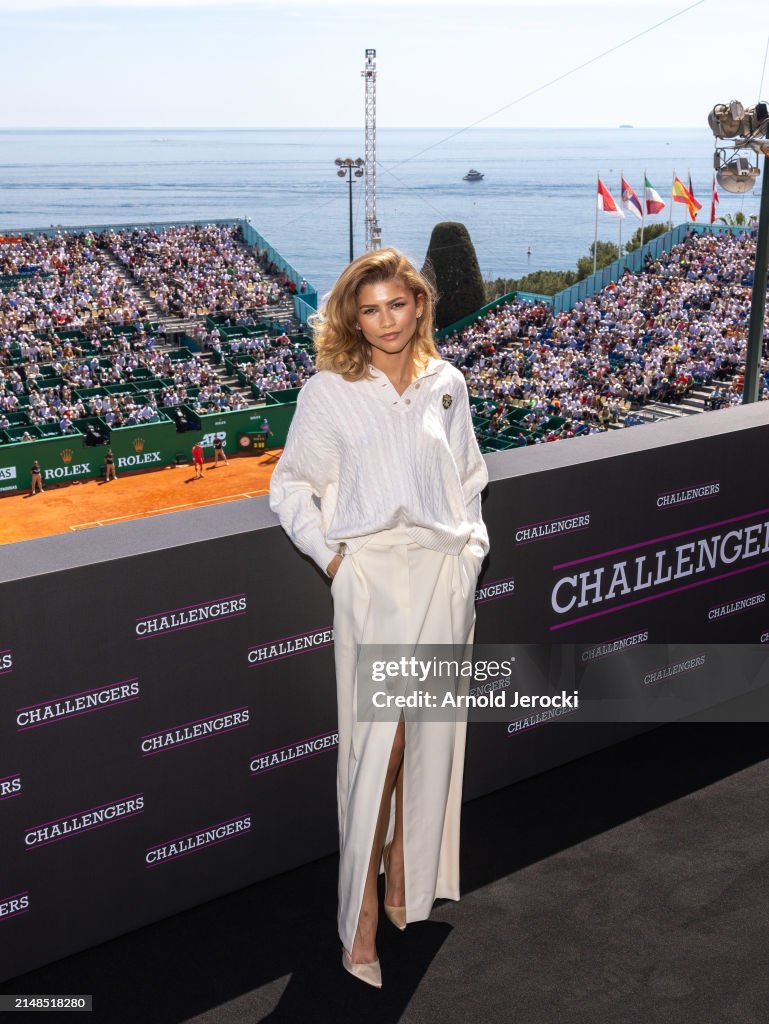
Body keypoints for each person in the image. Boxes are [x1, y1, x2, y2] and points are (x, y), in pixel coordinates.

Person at [269, 247, 489, 989]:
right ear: (351, 317)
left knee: (425, 740)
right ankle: (359, 916)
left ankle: (404, 887)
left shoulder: (446, 383)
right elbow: (291, 489)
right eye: (370, 308)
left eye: (397, 304)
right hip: (372, 579)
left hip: (440, 576)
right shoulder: (329, 391)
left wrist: (469, 552)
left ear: (419, 305)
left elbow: (467, 479)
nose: (385, 320)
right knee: (377, 752)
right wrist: (336, 562)